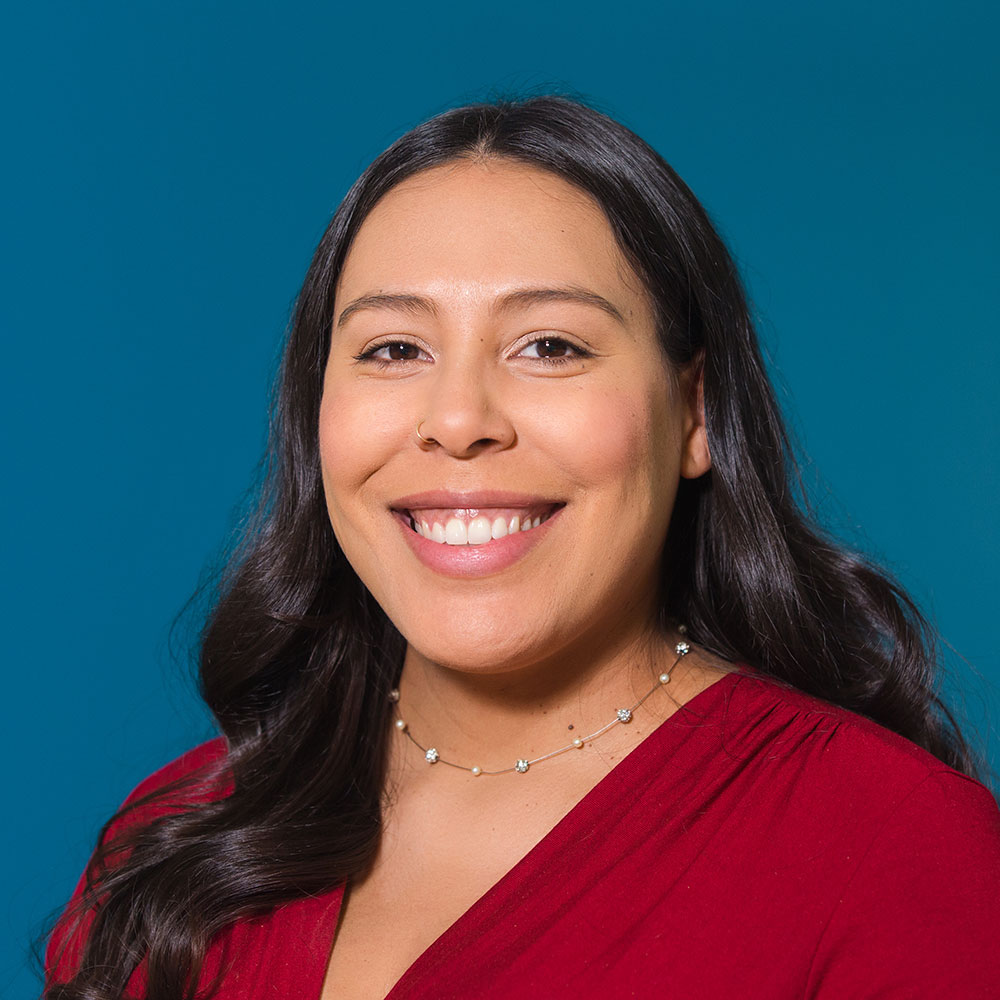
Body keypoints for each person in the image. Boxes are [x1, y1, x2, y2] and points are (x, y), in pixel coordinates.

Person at [45, 95, 1000, 1000]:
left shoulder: (899, 849)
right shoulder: (177, 833)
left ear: (697, 411)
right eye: (392, 349)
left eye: (549, 346)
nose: (458, 421)